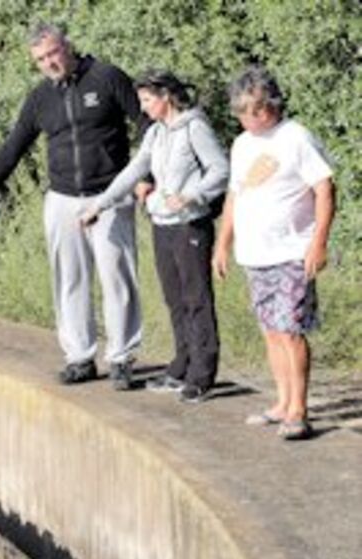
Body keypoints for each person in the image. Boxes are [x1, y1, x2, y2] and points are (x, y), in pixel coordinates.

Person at [0, 21, 146, 390]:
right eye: (41, 59)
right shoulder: (40, 98)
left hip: (109, 195)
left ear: (68, 47)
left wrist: (143, 176)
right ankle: (80, 357)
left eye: (53, 53)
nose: (49, 63)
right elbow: (12, 149)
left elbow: (146, 122)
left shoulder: (107, 77)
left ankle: (121, 358)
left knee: (117, 277)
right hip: (63, 199)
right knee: (69, 280)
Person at [80, 70, 228, 403]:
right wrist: (99, 205)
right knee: (175, 299)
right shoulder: (156, 133)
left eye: (147, 100)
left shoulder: (194, 127)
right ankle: (183, 363)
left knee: (196, 298)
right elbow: (134, 170)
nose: (143, 108)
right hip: (162, 224)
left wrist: (194, 196)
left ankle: (202, 373)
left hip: (191, 224)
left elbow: (220, 169)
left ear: (166, 97)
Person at [212, 66, 336, 440]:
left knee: (290, 329)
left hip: (290, 252)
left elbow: (325, 189)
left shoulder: (295, 137)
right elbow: (235, 195)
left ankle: (299, 408)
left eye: (255, 111)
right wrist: (223, 242)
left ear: (271, 106)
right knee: (270, 330)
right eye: (243, 112)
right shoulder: (242, 144)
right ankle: (281, 402)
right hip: (255, 254)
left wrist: (318, 242)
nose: (249, 119)